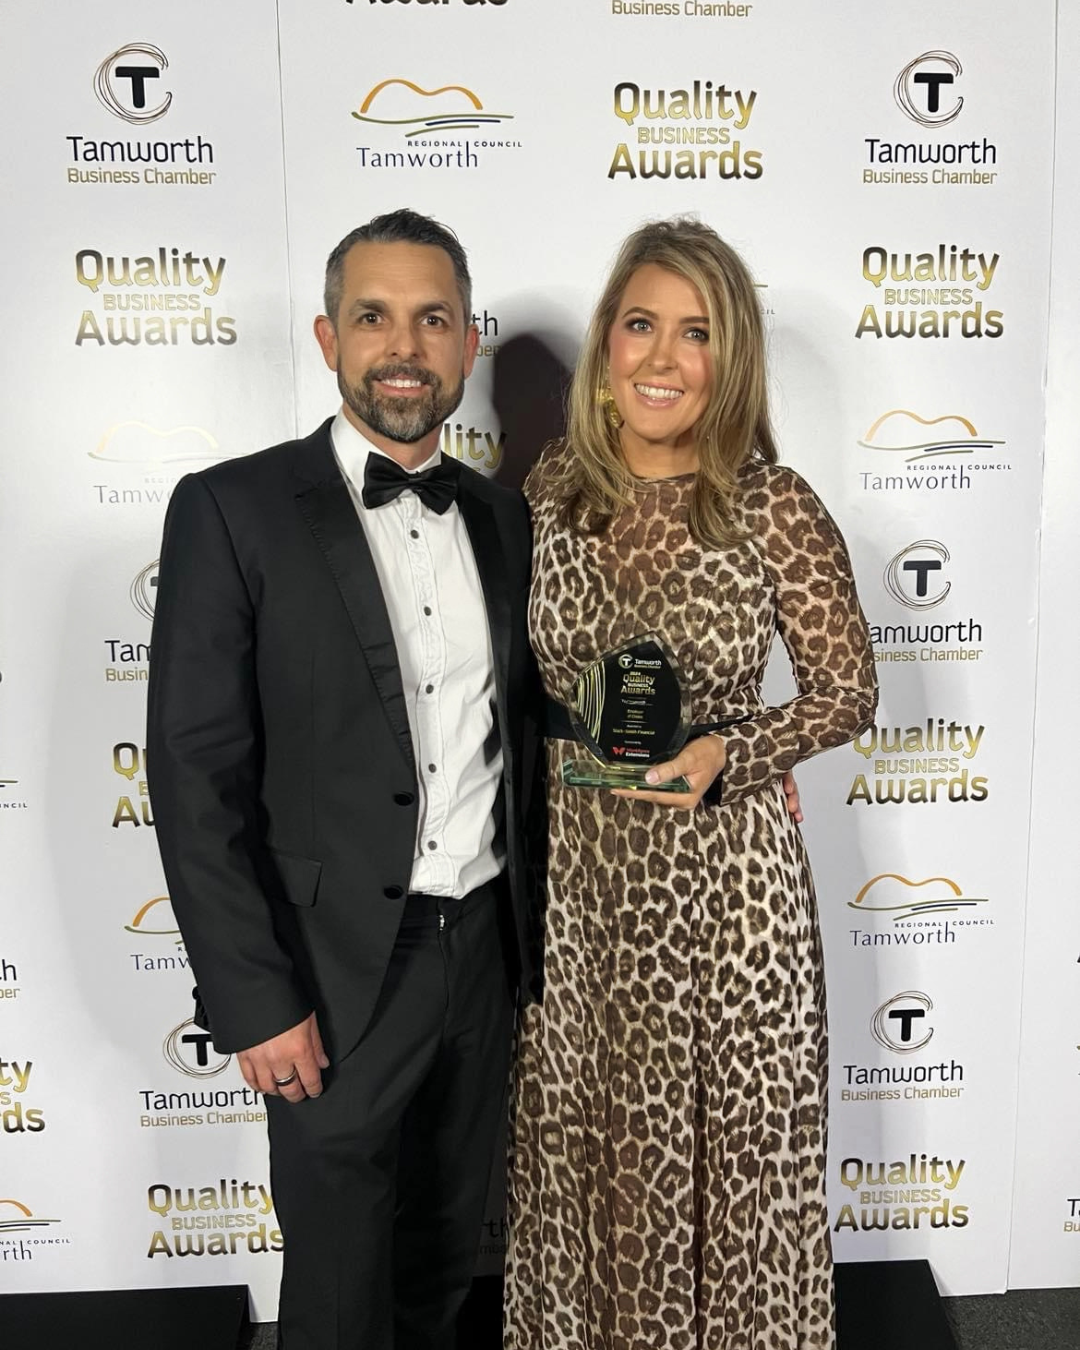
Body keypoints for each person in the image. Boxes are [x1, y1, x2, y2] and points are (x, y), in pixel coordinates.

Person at [146, 208, 539, 1350]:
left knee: (446, 1252)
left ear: (470, 342)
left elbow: (535, 727)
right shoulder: (232, 510)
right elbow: (194, 772)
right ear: (328, 338)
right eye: (374, 317)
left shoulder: (508, 522)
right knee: (334, 1277)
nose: (403, 345)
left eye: (432, 318)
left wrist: (723, 755)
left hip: (485, 957)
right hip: (327, 971)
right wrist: (256, 1000)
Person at [504, 218, 878, 1350]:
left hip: (729, 889)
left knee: (732, 1152)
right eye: (641, 325)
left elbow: (847, 691)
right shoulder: (552, 491)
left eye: (697, 333)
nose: (663, 358)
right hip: (582, 881)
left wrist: (735, 753)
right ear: (608, 347)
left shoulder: (771, 503)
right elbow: (521, 684)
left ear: (733, 359)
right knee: (591, 1142)